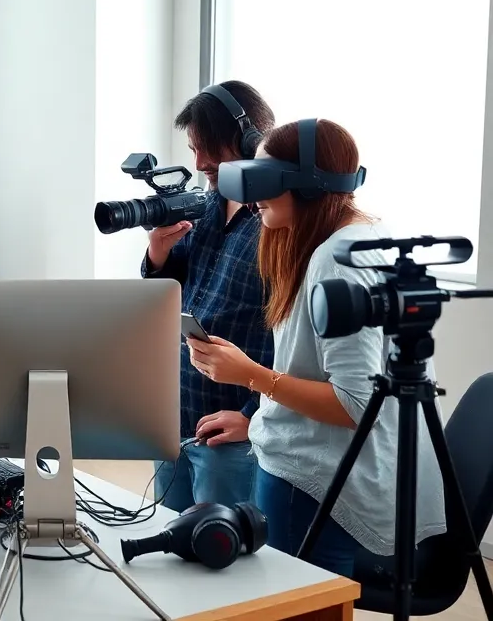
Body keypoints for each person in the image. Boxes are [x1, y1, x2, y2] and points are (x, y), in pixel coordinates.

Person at [188, 119, 446, 577]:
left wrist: (249, 374)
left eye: (264, 180)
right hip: (315, 470)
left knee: (297, 605)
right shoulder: (353, 237)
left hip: (315, 484)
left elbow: (354, 404)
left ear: (307, 186)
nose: (251, 197)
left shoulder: (336, 261)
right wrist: (255, 406)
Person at [142, 81, 277, 513]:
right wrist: (157, 254)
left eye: (209, 149)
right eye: (193, 149)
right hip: (177, 414)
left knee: (222, 563)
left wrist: (253, 417)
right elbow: (167, 294)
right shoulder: (205, 204)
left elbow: (293, 341)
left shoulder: (278, 220)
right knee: (170, 547)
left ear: (250, 140)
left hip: (230, 431)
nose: (200, 163)